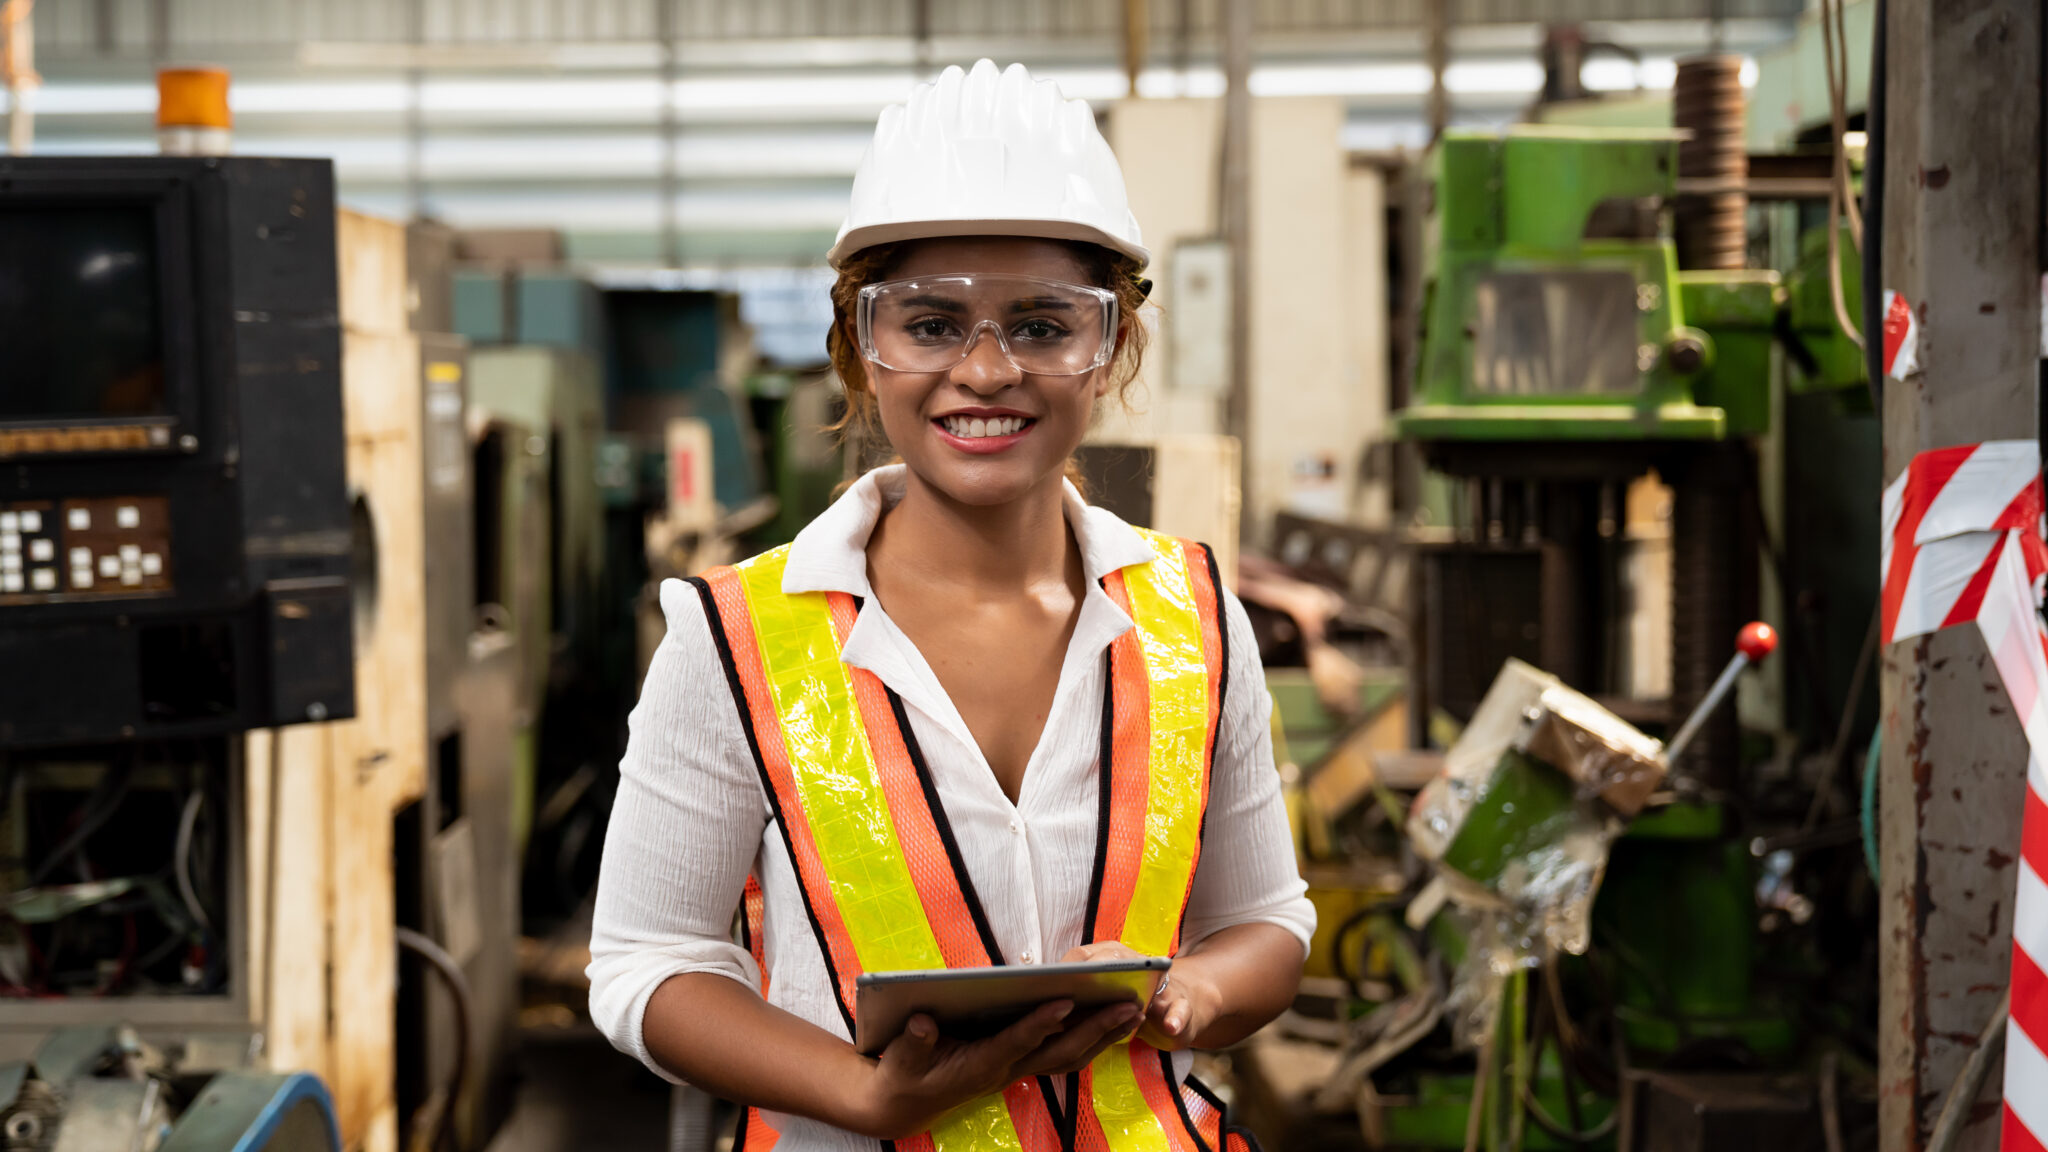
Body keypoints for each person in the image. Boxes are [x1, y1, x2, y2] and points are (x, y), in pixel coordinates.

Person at [589, 59, 1313, 1150]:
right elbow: (648, 963)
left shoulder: (1195, 618)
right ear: (858, 348)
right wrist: (859, 1095)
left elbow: (1265, 919)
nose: (984, 370)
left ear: (1109, 344)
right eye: (928, 324)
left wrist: (1187, 999)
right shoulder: (739, 638)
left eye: (1039, 324)